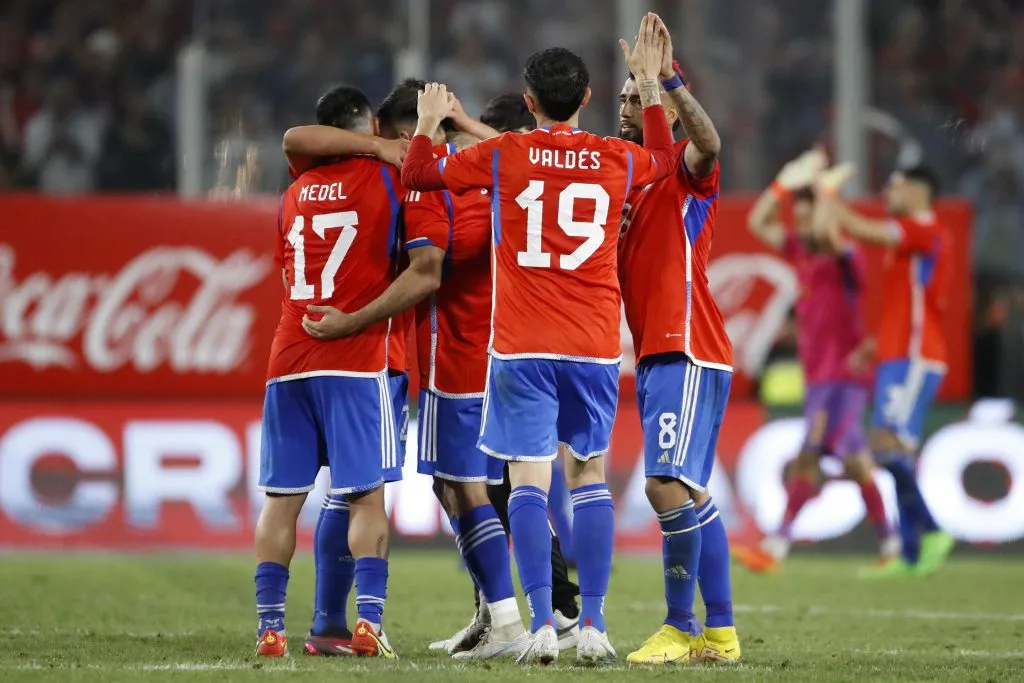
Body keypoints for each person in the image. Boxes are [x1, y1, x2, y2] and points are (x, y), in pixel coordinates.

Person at [402, 14, 678, 664]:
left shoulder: (507, 154)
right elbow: (666, 161)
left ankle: (542, 626)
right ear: (587, 98)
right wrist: (651, 85)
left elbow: (418, 173)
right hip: (590, 344)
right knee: (588, 478)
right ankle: (595, 625)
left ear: (527, 104)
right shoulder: (615, 158)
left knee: (526, 480)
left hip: (521, 343)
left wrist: (426, 123)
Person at [255, 85, 401, 659]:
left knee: (282, 500)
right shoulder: (384, 178)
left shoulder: (294, 193)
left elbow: (295, 140)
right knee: (365, 498)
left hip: (289, 355)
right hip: (353, 355)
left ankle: (270, 629)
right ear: (366, 127)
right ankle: (367, 622)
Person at [615, 22, 740, 663]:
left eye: (634, 99)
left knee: (662, 485)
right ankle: (719, 633)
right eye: (623, 98)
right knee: (690, 490)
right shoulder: (624, 179)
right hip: (665, 349)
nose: (627, 106)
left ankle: (680, 627)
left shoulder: (684, 175)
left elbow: (708, 141)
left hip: (685, 342)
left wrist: (663, 82)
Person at [736, 152, 898, 572]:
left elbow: (830, 229)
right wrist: (783, 185)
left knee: (810, 452)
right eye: (801, 219)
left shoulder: (847, 260)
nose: (805, 227)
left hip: (844, 377)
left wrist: (825, 190)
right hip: (820, 380)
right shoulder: (800, 253)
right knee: (856, 463)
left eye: (810, 219)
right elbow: (758, 222)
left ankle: (775, 547)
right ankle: (892, 544)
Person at [819, 164, 957, 577]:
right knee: (896, 454)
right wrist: (875, 345)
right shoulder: (910, 242)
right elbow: (912, 304)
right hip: (899, 353)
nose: (888, 193)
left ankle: (932, 530)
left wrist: (828, 196)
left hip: (915, 355)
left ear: (918, 190)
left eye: (894, 185)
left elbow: (863, 229)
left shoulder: (923, 229)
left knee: (885, 447)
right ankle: (911, 554)